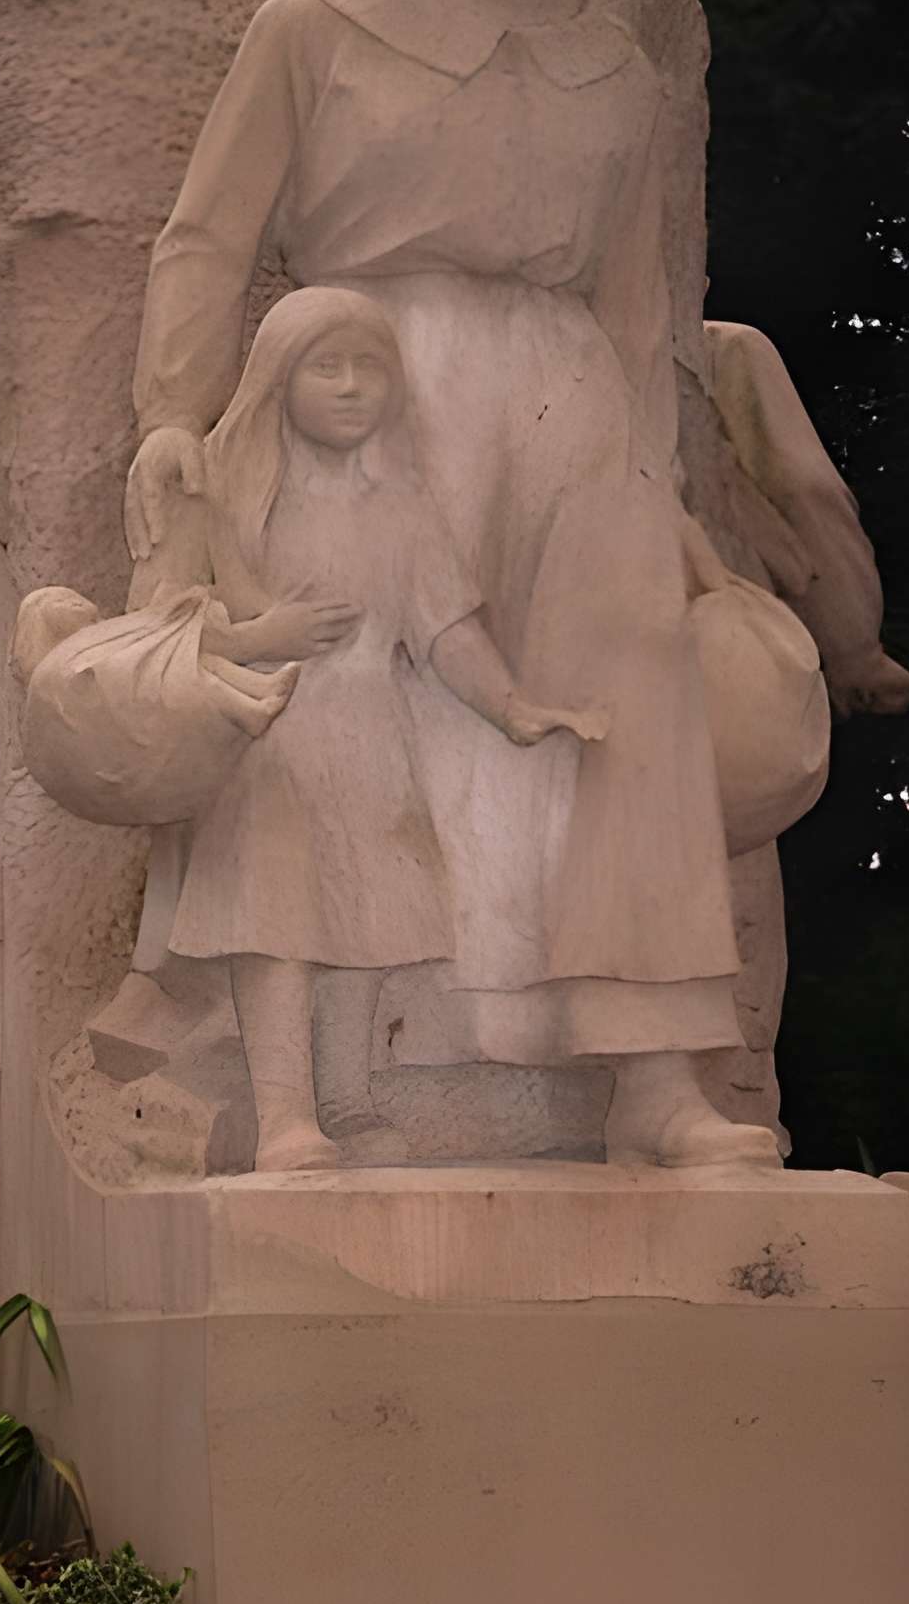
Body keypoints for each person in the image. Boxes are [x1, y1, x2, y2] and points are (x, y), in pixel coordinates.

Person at [128, 0, 781, 1169]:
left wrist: (655, 482)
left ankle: (659, 1075)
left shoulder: (612, 68)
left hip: (568, 391)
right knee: (358, 700)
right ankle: (347, 1082)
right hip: (370, 379)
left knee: (627, 691)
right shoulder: (319, 24)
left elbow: (634, 303)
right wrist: (172, 419)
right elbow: (209, 238)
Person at [172, 286, 601, 1169]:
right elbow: (165, 618)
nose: (351, 385)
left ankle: (349, 1100)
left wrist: (515, 707)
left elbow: (447, 632)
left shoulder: (402, 513)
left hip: (372, 746)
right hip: (268, 742)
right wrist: (261, 635)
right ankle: (285, 1115)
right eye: (326, 366)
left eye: (370, 367)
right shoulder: (227, 498)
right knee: (277, 922)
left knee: (365, 921)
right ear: (279, 379)